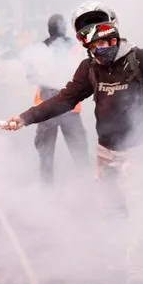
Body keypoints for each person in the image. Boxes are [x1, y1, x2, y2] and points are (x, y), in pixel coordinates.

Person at [4, 3, 143, 283]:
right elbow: (65, 99)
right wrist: (25, 118)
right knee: (111, 209)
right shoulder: (89, 68)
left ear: (116, 36)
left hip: (139, 148)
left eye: (105, 43)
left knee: (141, 210)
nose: (101, 51)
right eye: (94, 46)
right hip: (106, 151)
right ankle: (116, 263)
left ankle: (139, 276)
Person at [30, 13, 88, 185]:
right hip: (70, 102)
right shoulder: (75, 47)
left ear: (49, 29)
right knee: (79, 150)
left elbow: (31, 76)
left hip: (46, 104)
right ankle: (88, 187)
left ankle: (47, 191)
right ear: (64, 28)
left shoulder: (39, 49)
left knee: (46, 153)